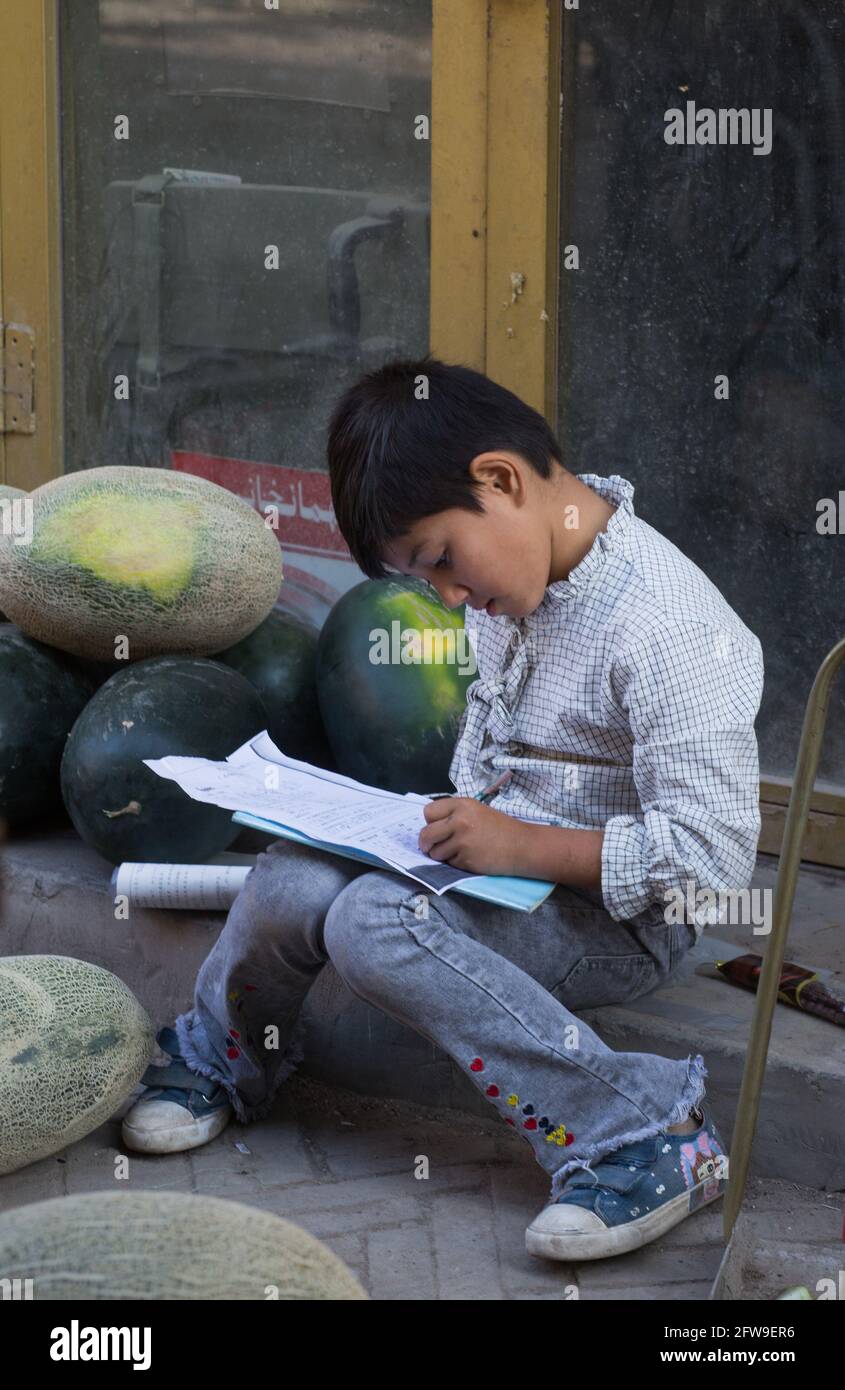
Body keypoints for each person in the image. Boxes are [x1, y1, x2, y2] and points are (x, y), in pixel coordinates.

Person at [122, 355, 764, 1262]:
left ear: (499, 480)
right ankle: (226, 1052)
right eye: (426, 581)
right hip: (495, 873)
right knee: (295, 876)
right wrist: (441, 828)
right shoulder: (513, 574)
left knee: (373, 921)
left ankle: (642, 1132)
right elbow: (486, 759)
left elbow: (707, 866)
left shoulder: (670, 630)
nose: (450, 598)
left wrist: (518, 845)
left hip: (619, 919)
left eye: (440, 562)